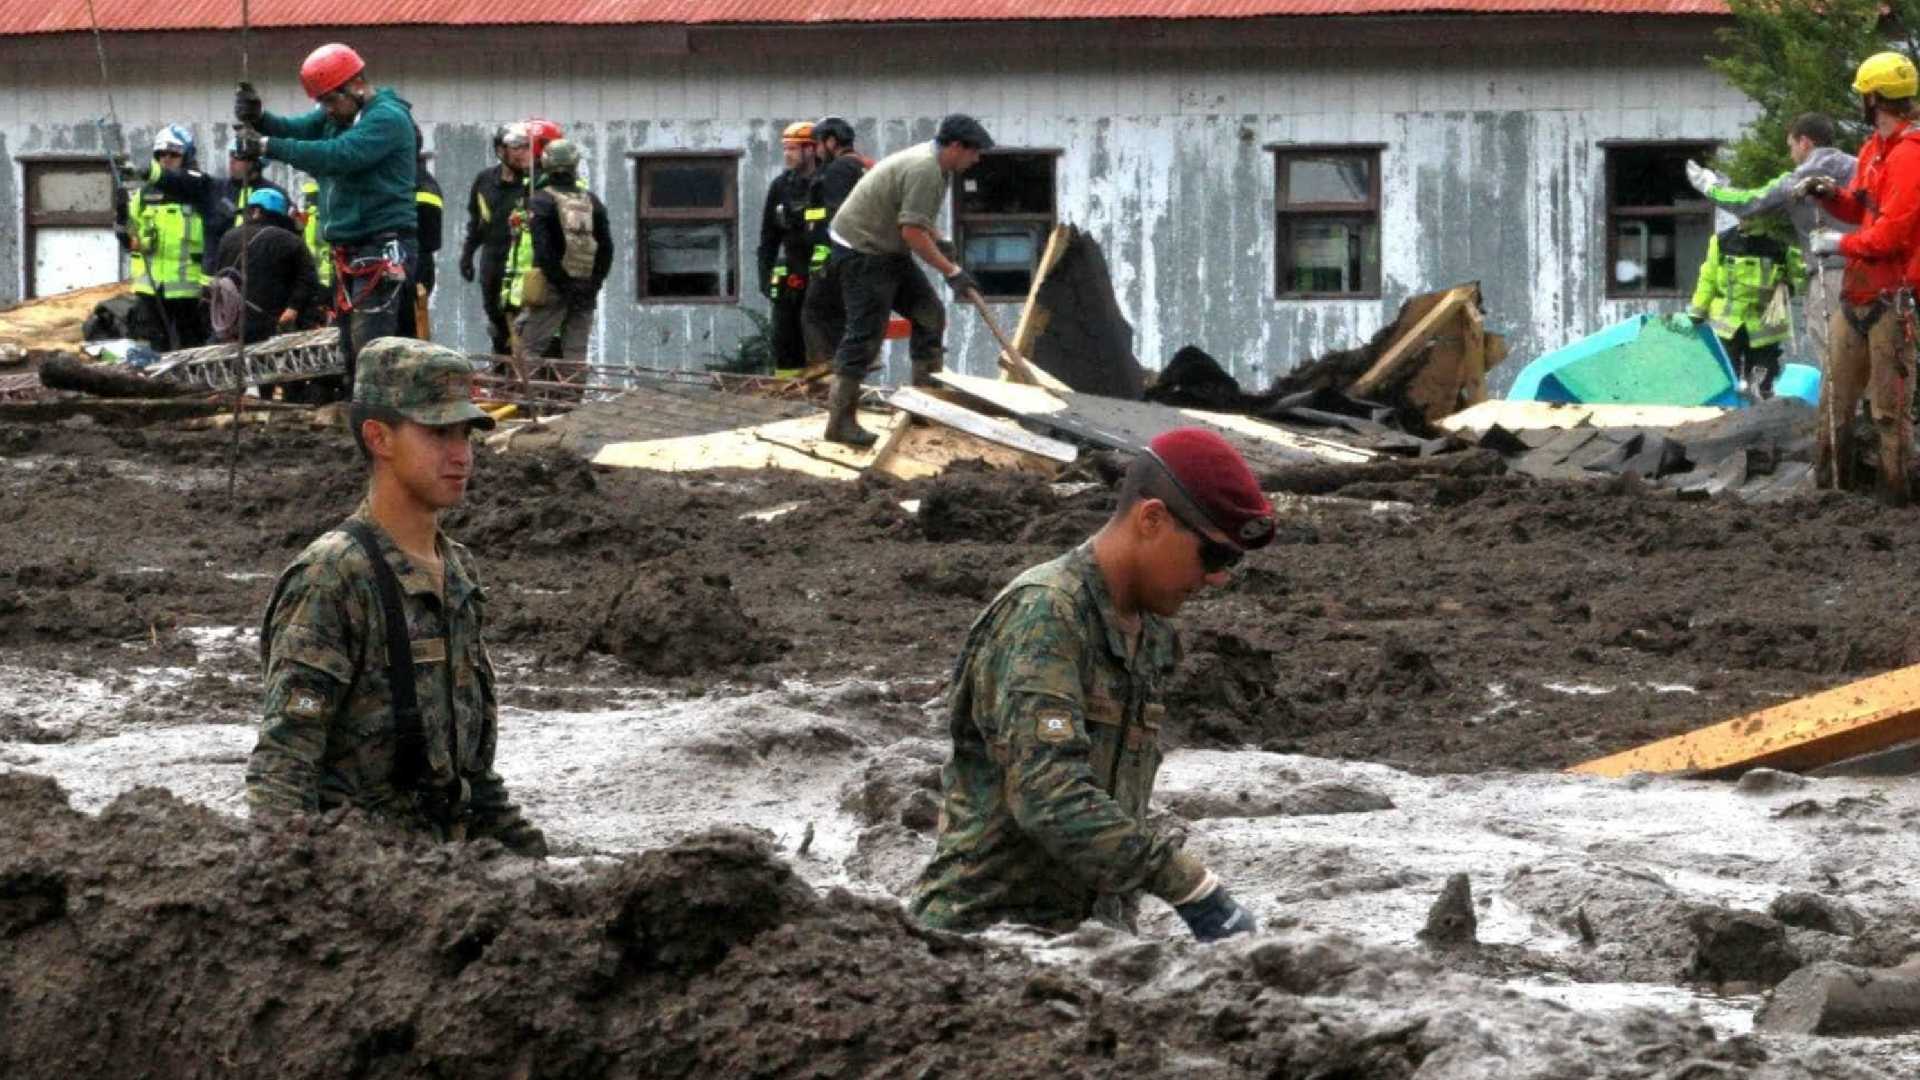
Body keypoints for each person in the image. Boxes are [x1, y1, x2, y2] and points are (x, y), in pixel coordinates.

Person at [911, 427, 1272, 942]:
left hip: (1091, 945)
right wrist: (1189, 885)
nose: (1219, 579)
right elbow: (1049, 795)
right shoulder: (1044, 616)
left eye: (1232, 563)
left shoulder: (1152, 636)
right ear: (1152, 519)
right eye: (1214, 557)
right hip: (981, 944)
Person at [248, 337, 546, 854]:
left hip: (442, 875)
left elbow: (472, 780)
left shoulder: (457, 571)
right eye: (437, 433)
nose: (461, 456)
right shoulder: (334, 576)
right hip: (364, 883)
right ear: (379, 438)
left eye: (466, 436)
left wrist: (543, 867)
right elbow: (283, 769)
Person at [235, 43, 418, 397]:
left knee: (371, 345)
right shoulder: (342, 114)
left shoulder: (387, 119)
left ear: (356, 86)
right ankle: (362, 413)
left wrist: (266, 145)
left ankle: (376, 415)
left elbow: (338, 155)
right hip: (353, 248)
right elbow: (299, 129)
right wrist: (261, 120)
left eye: (331, 101)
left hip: (380, 243)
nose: (327, 111)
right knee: (351, 345)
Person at [821, 113, 993, 445]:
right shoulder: (925, 169)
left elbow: (917, 218)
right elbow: (912, 233)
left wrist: (939, 238)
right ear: (956, 147)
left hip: (888, 248)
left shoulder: (938, 166)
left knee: (929, 313)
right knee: (865, 334)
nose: (977, 159)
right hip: (863, 250)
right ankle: (839, 422)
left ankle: (924, 406)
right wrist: (952, 271)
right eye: (974, 152)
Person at [1804, 51, 1920, 504]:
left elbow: (1892, 233)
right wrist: (1829, 195)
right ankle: (1832, 494)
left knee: (1889, 412)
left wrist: (1838, 244)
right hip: (1858, 291)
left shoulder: (1911, 156)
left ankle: (1896, 497)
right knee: (1836, 400)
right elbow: (1861, 207)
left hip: (1895, 299)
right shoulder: (1875, 148)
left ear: (1874, 97)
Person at [1687, 114, 1855, 370]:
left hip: (1827, 278)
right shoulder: (1863, 167)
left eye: (1791, 147)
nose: (1791, 155)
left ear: (1805, 143)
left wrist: (1711, 188)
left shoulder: (1796, 181)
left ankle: (1843, 411)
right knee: (1875, 358)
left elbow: (1748, 203)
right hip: (1878, 273)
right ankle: (1874, 410)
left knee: (1836, 363)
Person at [510, 139, 612, 400]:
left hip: (552, 289)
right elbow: (606, 248)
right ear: (575, 165)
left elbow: (543, 251)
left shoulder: (541, 201)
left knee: (529, 349)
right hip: (585, 289)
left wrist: (562, 283)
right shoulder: (593, 202)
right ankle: (572, 408)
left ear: (546, 165)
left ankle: (533, 405)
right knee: (575, 354)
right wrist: (592, 284)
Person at [121, 124, 215, 350]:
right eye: (161, 154)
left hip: (189, 290)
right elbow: (132, 236)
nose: (166, 159)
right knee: (152, 347)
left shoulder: (201, 188)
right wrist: (123, 225)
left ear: (187, 156)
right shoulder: (145, 194)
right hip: (151, 288)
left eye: (174, 154)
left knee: (191, 346)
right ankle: (152, 384)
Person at [1687, 221, 1806, 399]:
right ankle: (1724, 416)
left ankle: (1759, 415)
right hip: (1727, 325)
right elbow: (1708, 279)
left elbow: (1800, 276)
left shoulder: (1783, 243)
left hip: (1765, 324)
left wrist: (1790, 285)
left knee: (1762, 384)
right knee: (1724, 380)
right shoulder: (1722, 241)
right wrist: (1697, 311)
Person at [209, 187, 326, 344]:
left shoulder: (228, 237)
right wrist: (293, 308)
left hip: (232, 327)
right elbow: (308, 280)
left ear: (257, 211)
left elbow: (221, 276)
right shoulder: (291, 240)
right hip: (273, 327)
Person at [800, 116, 872, 371]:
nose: (817, 152)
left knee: (814, 312)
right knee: (843, 314)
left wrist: (828, 257)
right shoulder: (864, 166)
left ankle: (826, 371)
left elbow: (837, 216)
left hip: (836, 253)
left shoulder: (839, 169)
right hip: (860, 254)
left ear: (831, 142)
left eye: (818, 144)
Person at [460, 124, 530, 355]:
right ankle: (501, 376)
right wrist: (468, 254)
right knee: (497, 322)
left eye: (527, 146)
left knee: (523, 327)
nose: (524, 152)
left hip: (522, 265)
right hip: (493, 260)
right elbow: (477, 221)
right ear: (501, 150)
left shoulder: (534, 183)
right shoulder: (485, 180)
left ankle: (525, 378)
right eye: (517, 147)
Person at [500, 118, 565, 358]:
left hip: (544, 291)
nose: (516, 153)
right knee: (522, 360)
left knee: (543, 361)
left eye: (522, 146)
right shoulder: (528, 188)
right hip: (526, 292)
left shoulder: (557, 191)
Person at [757, 121, 819, 374]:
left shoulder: (827, 183)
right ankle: (788, 397)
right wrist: (765, 276)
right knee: (785, 341)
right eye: (785, 149)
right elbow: (768, 238)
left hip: (822, 275)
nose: (787, 155)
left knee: (819, 341)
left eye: (793, 148)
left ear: (811, 149)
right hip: (791, 274)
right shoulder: (781, 187)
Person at [398, 127, 444, 340]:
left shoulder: (421, 185)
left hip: (413, 267)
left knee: (406, 333)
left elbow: (429, 238)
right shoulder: (401, 178)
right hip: (404, 264)